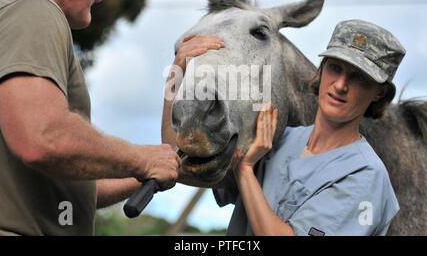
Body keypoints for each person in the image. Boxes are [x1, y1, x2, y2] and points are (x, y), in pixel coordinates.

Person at [0, 0, 220, 236]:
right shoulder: (32, 8)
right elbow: (44, 137)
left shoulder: (9, 10)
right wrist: (142, 158)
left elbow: (76, 186)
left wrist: (158, 166)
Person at [169, 19, 405, 236]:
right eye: (335, 68)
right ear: (321, 70)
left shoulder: (364, 177)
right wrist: (176, 74)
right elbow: (175, 160)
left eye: (359, 77)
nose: (341, 85)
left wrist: (245, 170)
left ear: (379, 92)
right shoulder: (276, 138)